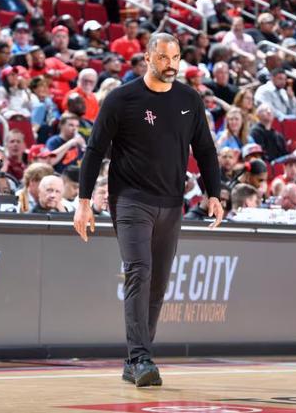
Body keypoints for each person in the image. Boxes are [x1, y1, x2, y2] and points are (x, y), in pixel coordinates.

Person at [74, 33, 223, 388]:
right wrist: (83, 201)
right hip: (130, 199)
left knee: (158, 283)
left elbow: (205, 149)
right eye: (163, 58)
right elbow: (94, 150)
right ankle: (141, 357)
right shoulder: (122, 99)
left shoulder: (189, 99)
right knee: (139, 271)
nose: (171, 65)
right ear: (147, 58)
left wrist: (214, 194)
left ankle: (136, 359)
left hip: (171, 202)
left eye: (176, 58)